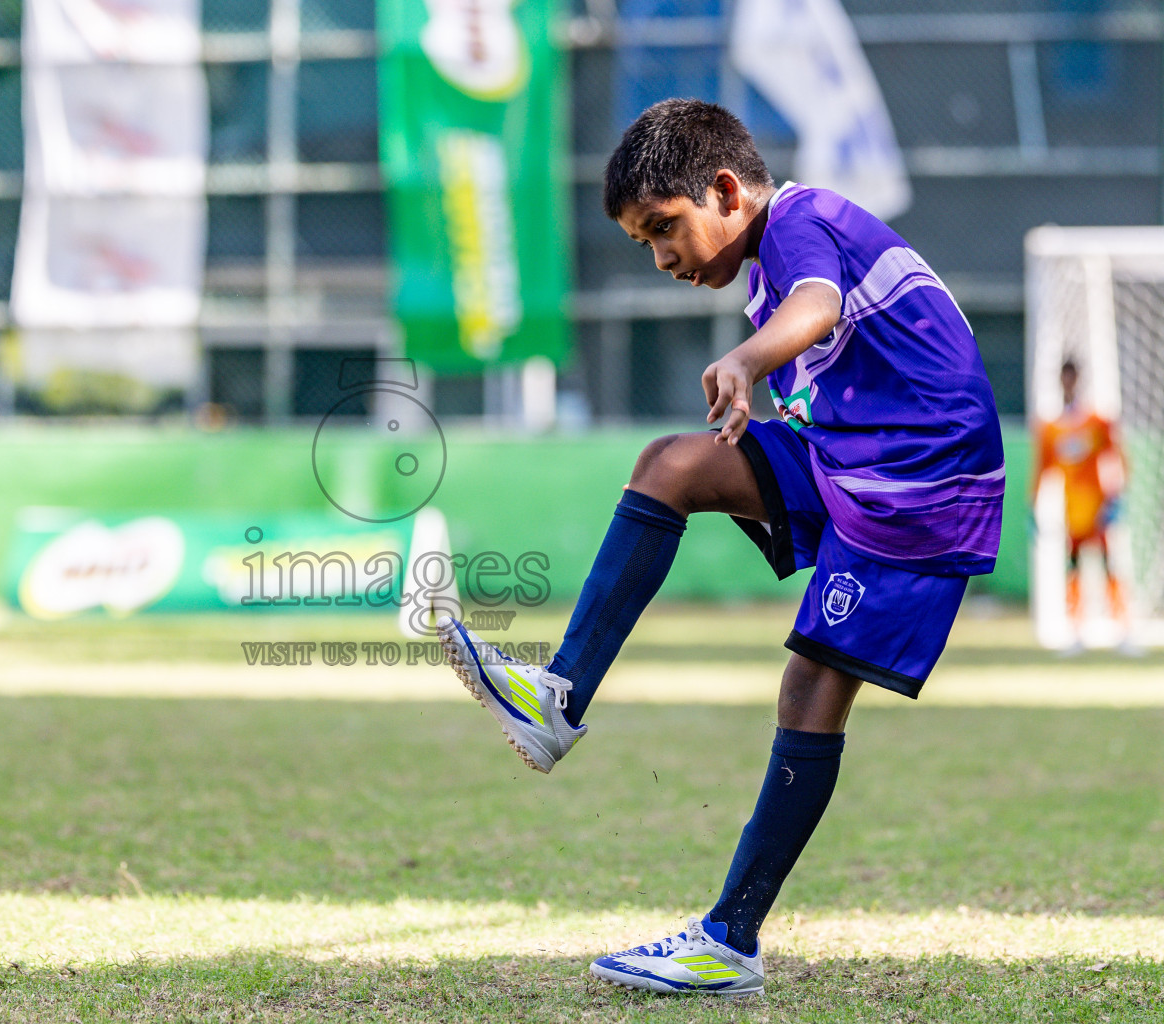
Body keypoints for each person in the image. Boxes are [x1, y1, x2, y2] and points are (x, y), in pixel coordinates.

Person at [437, 98, 1004, 998]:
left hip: (920, 485)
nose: (662, 258)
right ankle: (557, 698)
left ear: (728, 192)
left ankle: (729, 940)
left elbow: (818, 305)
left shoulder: (803, 222)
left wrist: (747, 360)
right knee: (671, 466)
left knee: (812, 687)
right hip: (852, 456)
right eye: (644, 243)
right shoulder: (771, 259)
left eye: (665, 227)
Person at [1033, 360, 1128, 642]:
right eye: (1065, 378)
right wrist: (1032, 505)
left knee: (1109, 564)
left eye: (1072, 377)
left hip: (1098, 506)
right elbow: (1042, 469)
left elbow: (1117, 456)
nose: (1069, 383)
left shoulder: (1096, 422)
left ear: (1078, 380)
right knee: (1074, 566)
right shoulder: (1052, 428)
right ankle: (1075, 629)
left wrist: (1117, 497)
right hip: (1071, 509)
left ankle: (1122, 627)